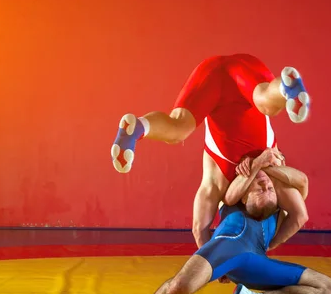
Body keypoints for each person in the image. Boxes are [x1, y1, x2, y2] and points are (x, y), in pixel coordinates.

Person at [101, 151, 331, 294]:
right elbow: (201, 225)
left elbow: (302, 190)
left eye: (268, 189)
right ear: (244, 198)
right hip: (227, 247)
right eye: (260, 188)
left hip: (257, 262)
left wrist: (265, 167)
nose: (266, 185)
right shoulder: (231, 194)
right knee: (180, 286)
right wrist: (259, 165)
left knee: (328, 289)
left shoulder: (283, 199)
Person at [111, 54, 310, 249]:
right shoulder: (274, 172)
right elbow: (300, 213)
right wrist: (271, 247)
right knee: (265, 102)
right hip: (247, 76)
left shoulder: (217, 180)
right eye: (269, 189)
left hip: (212, 78)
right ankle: (285, 88)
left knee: (178, 130)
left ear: (242, 197)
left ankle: (138, 128)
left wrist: (213, 264)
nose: (264, 183)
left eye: (259, 190)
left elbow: (200, 229)